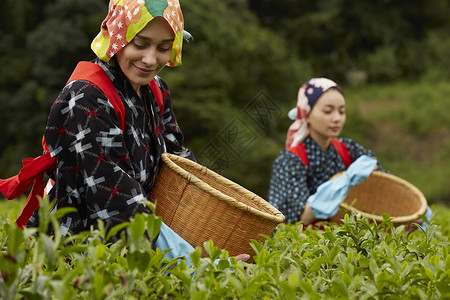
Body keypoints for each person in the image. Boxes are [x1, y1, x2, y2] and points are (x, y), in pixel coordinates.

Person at [0, 0, 249, 262]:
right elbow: (115, 200)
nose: (151, 59)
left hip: (142, 238)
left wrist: (210, 232)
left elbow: (180, 169)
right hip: (75, 247)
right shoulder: (87, 98)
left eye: (164, 48)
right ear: (118, 35)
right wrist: (196, 262)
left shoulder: (156, 90)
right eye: (139, 44)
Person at [268, 78, 430, 230]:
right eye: (328, 111)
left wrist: (411, 212)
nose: (337, 118)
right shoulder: (290, 160)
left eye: (341, 111)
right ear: (307, 115)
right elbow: (295, 218)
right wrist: (340, 185)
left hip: (349, 241)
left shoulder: (348, 149)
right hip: (307, 248)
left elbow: (384, 186)